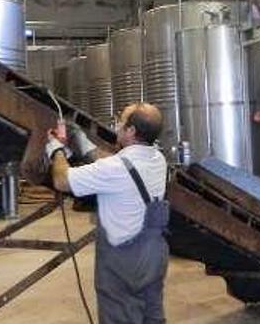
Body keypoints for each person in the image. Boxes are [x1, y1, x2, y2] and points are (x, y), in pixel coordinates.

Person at [45, 103, 169, 324]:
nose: (117, 126)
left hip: (123, 264)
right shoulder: (158, 159)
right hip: (154, 255)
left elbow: (62, 180)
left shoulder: (114, 169)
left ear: (131, 131)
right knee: (153, 316)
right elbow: (116, 163)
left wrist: (56, 150)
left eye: (122, 122)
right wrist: (83, 143)